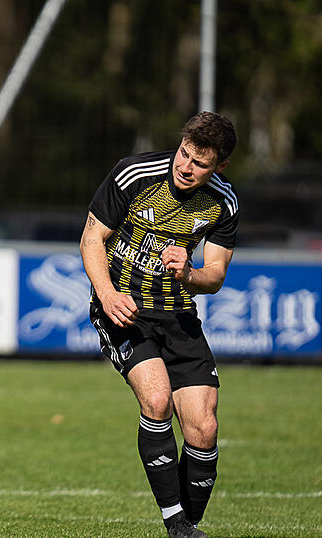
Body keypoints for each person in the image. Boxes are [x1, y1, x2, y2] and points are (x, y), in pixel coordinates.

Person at [80, 112, 238, 538]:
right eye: (184, 154)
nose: (186, 167)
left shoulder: (224, 202)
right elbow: (92, 238)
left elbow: (215, 276)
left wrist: (188, 273)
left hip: (179, 317)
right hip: (124, 310)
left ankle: (187, 527)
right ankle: (175, 522)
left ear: (220, 166)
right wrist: (107, 294)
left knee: (204, 427)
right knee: (156, 399)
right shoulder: (135, 173)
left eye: (200, 164)